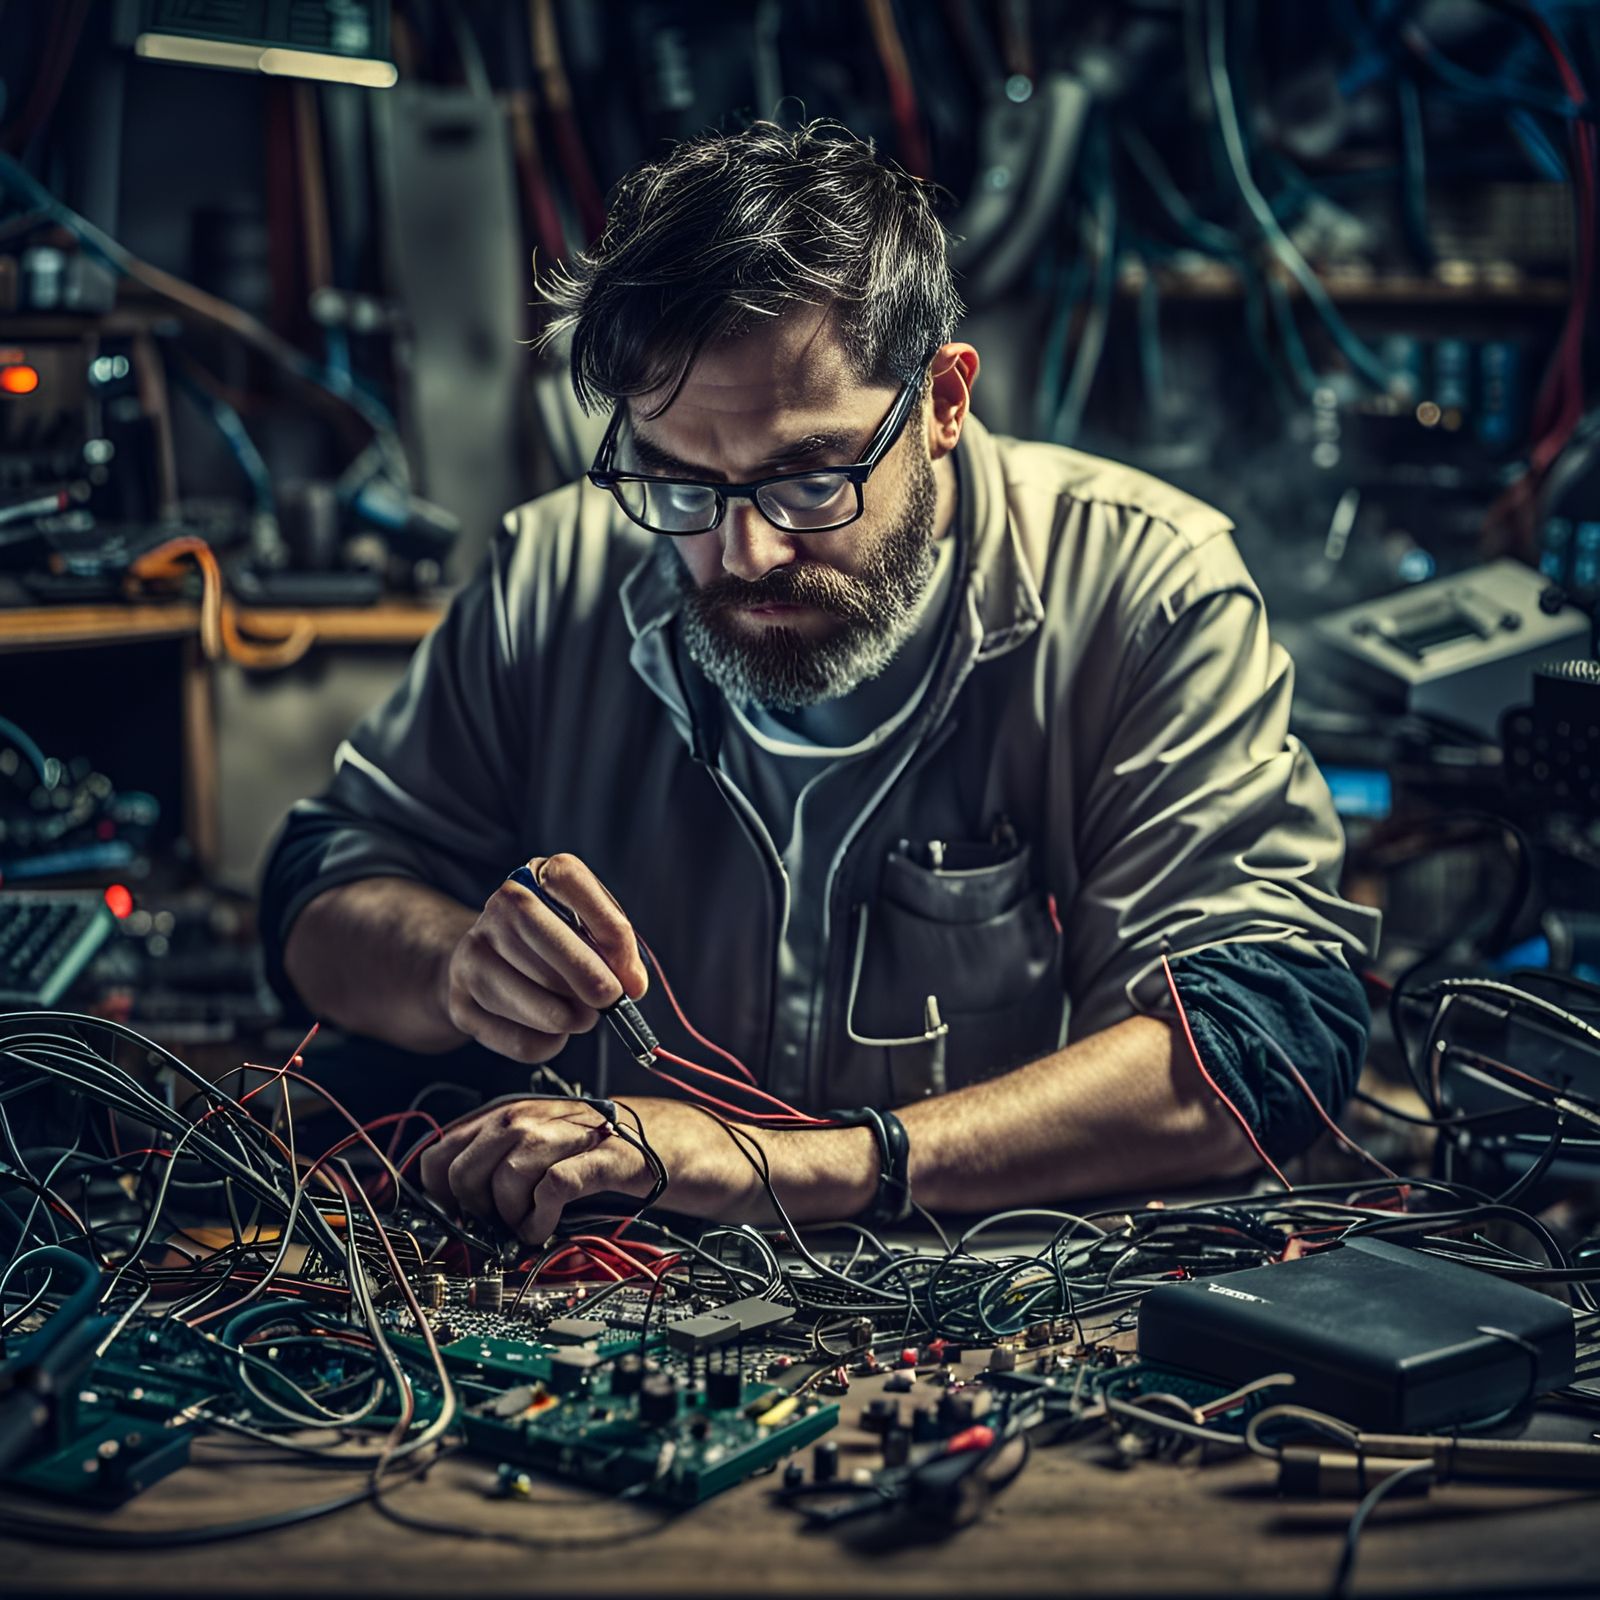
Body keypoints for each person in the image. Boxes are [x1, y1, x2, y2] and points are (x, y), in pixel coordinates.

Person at [260, 120, 1379, 1248]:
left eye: (806, 478)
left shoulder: (1146, 591)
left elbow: (1264, 1037)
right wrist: (454, 965)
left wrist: (799, 1168)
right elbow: (317, 888)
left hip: (1002, 1336)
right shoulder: (549, 577)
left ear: (943, 401)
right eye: (681, 483)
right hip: (612, 1318)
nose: (742, 554)